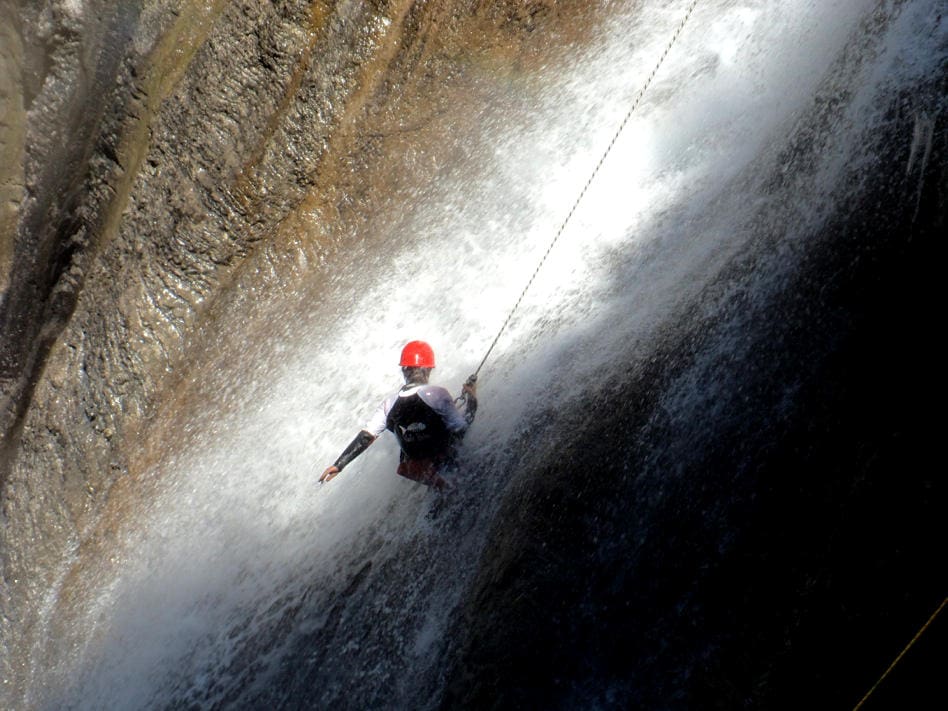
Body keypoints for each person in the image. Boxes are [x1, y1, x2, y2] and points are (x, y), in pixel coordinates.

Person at [319, 340, 477, 490]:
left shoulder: (388, 404)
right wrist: (472, 399)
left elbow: (366, 437)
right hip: (447, 458)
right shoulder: (437, 393)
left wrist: (339, 464)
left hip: (419, 468)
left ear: (404, 370)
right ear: (427, 369)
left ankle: (440, 486)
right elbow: (462, 428)